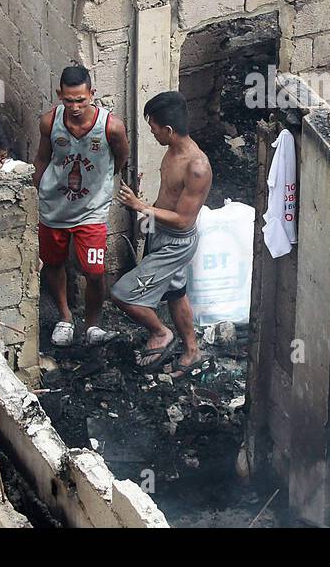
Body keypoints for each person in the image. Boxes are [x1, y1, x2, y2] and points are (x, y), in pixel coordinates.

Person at [112, 91, 213, 377]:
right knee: (176, 293)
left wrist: (140, 206)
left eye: (154, 128)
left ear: (168, 130)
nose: (152, 132)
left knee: (122, 294)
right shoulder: (172, 150)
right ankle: (192, 351)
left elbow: (183, 219)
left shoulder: (197, 167)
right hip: (160, 232)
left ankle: (161, 333)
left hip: (176, 242)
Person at [34, 66, 129, 348]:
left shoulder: (111, 126)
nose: (75, 107)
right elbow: (42, 158)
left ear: (92, 95)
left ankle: (92, 325)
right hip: (54, 207)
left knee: (94, 272)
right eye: (69, 100)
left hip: (91, 210)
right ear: (59, 95)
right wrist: (36, 189)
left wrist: (101, 184)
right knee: (53, 263)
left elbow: (121, 157)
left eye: (81, 100)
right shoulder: (50, 122)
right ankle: (65, 318)